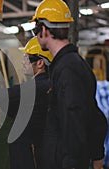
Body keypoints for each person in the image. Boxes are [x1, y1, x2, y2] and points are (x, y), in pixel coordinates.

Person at [29, 0, 108, 169]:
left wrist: (73, 163)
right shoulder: (71, 64)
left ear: (43, 29)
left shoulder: (67, 69)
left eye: (36, 30)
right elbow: (95, 117)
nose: (36, 35)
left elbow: (74, 121)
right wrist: (97, 156)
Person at [0, 36, 53, 169]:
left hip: (28, 156)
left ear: (40, 63)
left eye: (26, 59)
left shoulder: (34, 88)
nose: (23, 63)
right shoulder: (49, 84)